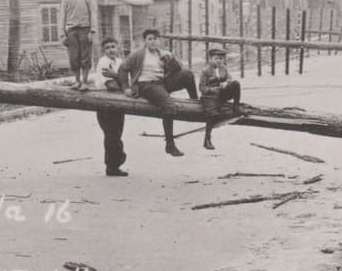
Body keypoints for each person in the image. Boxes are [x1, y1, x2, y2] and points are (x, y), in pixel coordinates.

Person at [119, 28, 198, 156]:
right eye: (149, 39)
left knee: (187, 74)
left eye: (155, 39)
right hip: (146, 85)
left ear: (159, 40)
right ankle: (170, 144)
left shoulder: (162, 53)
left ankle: (196, 103)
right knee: (169, 106)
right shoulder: (138, 54)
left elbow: (178, 70)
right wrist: (126, 87)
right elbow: (123, 69)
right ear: (145, 41)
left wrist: (171, 59)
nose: (153, 42)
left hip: (162, 83)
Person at [93, 38, 128, 177]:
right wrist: (123, 84)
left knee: (117, 133)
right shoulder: (104, 62)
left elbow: (126, 80)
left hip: (118, 103)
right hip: (105, 102)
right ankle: (112, 166)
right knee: (111, 134)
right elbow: (110, 85)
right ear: (104, 50)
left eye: (113, 46)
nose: (111, 49)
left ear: (118, 47)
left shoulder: (120, 62)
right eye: (107, 47)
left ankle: (117, 160)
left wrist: (119, 78)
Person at [60, 0, 99, 91]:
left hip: (85, 29)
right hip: (71, 31)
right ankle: (77, 81)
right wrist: (62, 34)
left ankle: (85, 82)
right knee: (74, 57)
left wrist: (92, 31)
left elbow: (93, 14)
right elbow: (62, 17)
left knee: (85, 56)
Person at [199, 47, 242, 150]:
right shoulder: (205, 71)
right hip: (210, 96)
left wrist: (226, 83)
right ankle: (207, 139)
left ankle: (236, 105)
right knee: (212, 115)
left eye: (221, 59)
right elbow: (202, 88)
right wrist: (215, 89)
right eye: (216, 58)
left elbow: (230, 78)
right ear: (210, 59)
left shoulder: (223, 68)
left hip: (222, 94)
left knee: (236, 84)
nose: (219, 61)